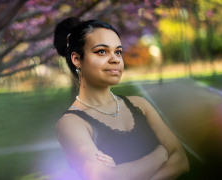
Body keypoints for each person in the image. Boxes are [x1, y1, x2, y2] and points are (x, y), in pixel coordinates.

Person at [54, 17, 189, 180]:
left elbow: (181, 161)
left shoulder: (140, 105)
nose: (115, 59)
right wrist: (160, 154)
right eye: (102, 51)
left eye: (118, 52)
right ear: (77, 59)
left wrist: (123, 172)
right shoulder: (70, 123)